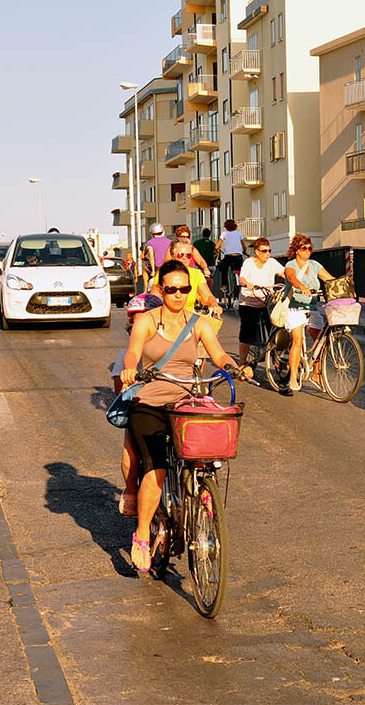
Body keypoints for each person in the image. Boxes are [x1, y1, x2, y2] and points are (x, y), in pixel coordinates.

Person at [119, 260, 252, 572]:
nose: (178, 295)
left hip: (186, 402)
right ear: (161, 290)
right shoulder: (148, 321)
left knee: (200, 456)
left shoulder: (199, 323)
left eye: (184, 289)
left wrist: (233, 368)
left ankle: (198, 496)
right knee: (157, 471)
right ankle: (141, 534)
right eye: (171, 289)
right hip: (149, 402)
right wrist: (130, 367)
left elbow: (218, 354)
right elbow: (133, 351)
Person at [111, 292, 163, 518]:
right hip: (142, 407)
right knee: (131, 446)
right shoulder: (125, 355)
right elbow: (119, 391)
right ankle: (132, 490)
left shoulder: (170, 347)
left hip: (169, 404)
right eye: (136, 320)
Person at [283, 234, 334, 396]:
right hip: (295, 307)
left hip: (311, 306)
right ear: (296, 250)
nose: (307, 251)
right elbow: (291, 278)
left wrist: (342, 286)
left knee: (320, 340)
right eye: (303, 248)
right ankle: (292, 378)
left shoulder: (314, 265)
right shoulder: (291, 265)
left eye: (309, 248)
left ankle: (316, 373)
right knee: (297, 340)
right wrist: (301, 286)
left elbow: (329, 279)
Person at [237, 237, 285, 365]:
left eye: (269, 250)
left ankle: (277, 359)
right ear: (257, 252)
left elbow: (285, 273)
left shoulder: (272, 263)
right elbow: (241, 279)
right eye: (264, 251)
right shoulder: (248, 263)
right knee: (247, 334)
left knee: (277, 328)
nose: (267, 254)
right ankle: (242, 363)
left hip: (267, 302)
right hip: (249, 302)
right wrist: (247, 283)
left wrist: (293, 280)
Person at [163, 242, 222, 315]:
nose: (184, 257)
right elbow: (155, 296)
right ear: (172, 256)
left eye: (188, 255)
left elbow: (207, 296)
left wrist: (214, 305)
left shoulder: (196, 274)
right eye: (180, 255)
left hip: (189, 317)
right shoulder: (164, 273)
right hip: (167, 317)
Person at [217, 219, 247, 305]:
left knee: (224, 269)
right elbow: (244, 246)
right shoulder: (238, 233)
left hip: (228, 256)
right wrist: (244, 251)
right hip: (238, 256)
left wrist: (217, 249)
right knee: (241, 271)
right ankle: (241, 286)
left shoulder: (224, 233)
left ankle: (224, 285)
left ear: (226, 226)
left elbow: (217, 245)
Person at [142, 223, 172, 290]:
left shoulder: (150, 242)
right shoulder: (170, 241)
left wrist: (153, 271)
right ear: (162, 232)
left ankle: (146, 290)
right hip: (167, 266)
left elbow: (151, 257)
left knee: (144, 269)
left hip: (157, 267)